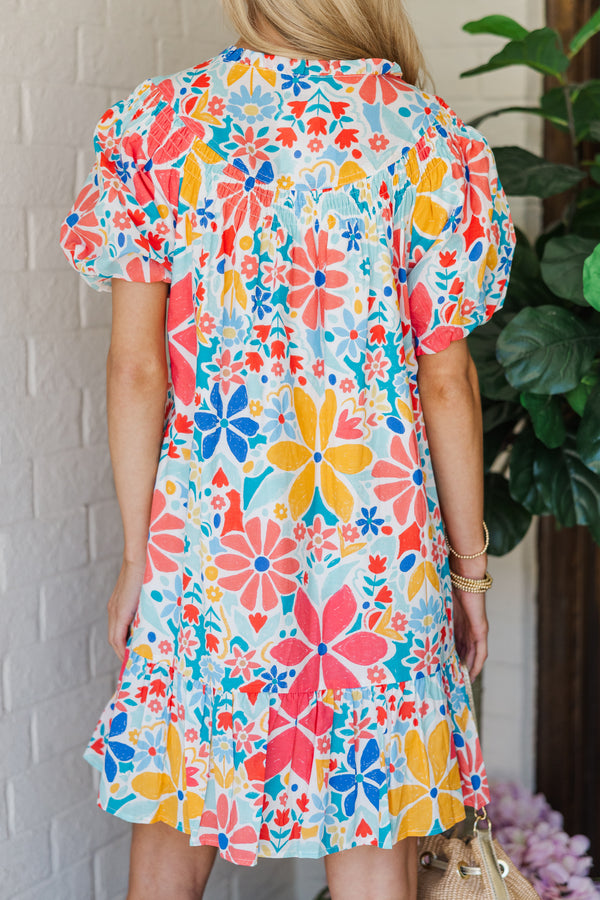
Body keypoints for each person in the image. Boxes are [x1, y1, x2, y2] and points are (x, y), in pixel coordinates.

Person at [60, 0, 516, 897]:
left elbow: (136, 369)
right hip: (378, 550)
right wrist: (469, 574)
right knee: (375, 817)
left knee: (178, 798)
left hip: (209, 541)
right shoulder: (423, 135)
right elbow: (448, 383)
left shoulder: (158, 123)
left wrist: (137, 558)